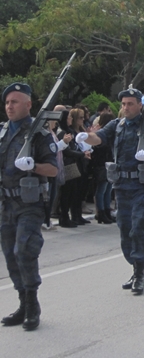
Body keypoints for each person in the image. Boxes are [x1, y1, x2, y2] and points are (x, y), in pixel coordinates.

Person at [76, 87, 144, 295]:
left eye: (130, 104)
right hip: (122, 187)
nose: (126, 108)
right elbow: (99, 138)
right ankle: (134, 267)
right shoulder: (117, 126)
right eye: (123, 104)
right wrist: (85, 137)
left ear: (139, 105)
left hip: (143, 186)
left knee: (140, 226)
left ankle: (140, 272)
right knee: (125, 229)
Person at [1, 83, 58, 331]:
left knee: (24, 249)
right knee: (10, 255)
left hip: (30, 203)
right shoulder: (2, 133)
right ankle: (23, 302)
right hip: (5, 203)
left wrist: (33, 165)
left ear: (28, 104)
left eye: (14, 101)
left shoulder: (40, 134)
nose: (9, 106)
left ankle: (33, 304)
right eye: (6, 102)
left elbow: (54, 170)